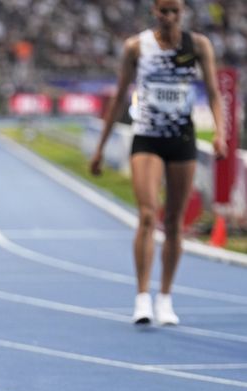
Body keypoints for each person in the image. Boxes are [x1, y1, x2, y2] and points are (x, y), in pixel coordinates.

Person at [89, 0, 226, 326]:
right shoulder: (136, 47)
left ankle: (165, 296)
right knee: (148, 214)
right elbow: (119, 96)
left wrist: (220, 132)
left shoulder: (198, 46)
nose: (169, 17)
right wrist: (100, 148)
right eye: (164, 11)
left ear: (182, 12)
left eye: (175, 11)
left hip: (181, 138)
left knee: (175, 221)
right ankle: (142, 297)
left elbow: (214, 92)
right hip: (147, 137)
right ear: (154, 11)